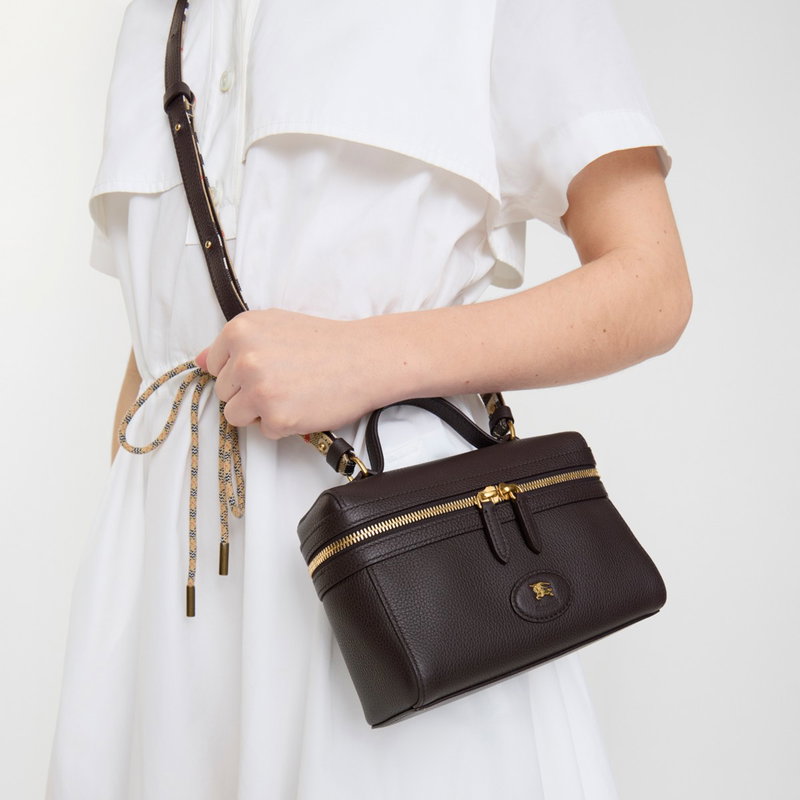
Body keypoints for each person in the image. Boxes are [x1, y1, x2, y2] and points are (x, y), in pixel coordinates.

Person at [46, 0, 692, 797]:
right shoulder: (155, 18)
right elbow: (161, 346)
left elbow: (651, 285)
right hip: (164, 591)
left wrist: (365, 357)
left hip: (402, 566)